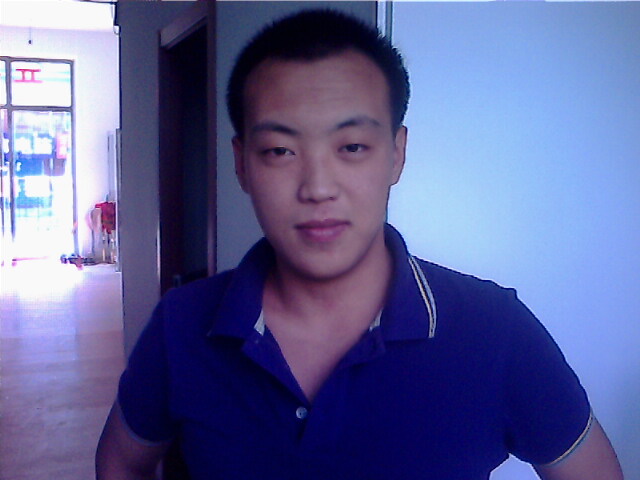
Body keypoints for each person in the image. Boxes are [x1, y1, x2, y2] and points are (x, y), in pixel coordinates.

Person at [96, 9, 623, 480]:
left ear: (396, 154)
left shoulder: (495, 330)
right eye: (280, 150)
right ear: (242, 164)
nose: (318, 187)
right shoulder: (182, 325)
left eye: (351, 146)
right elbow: (121, 461)